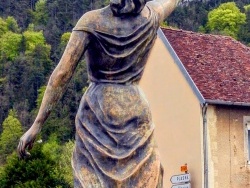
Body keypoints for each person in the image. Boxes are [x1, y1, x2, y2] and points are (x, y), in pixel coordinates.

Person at [18, 0, 180, 187]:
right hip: (135, 107)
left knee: (92, 178)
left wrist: (37, 125)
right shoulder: (151, 17)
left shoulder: (92, 21)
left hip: (98, 110)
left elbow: (62, 74)